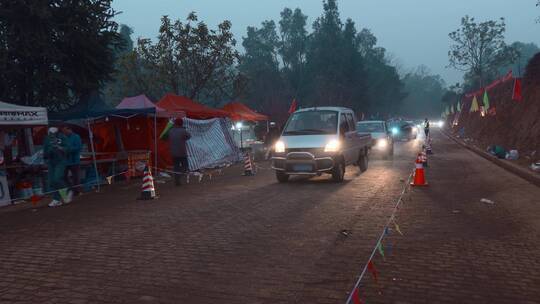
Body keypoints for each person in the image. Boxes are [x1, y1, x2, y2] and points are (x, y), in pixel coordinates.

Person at [43, 127, 72, 207]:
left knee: (57, 178)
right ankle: (57, 199)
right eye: (50, 133)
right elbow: (45, 152)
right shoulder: (47, 139)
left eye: (53, 133)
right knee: (52, 181)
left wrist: (60, 148)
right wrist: (48, 153)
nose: (52, 135)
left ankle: (67, 192)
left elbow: (69, 149)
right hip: (51, 162)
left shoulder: (62, 137)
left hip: (60, 161)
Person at [168, 118, 191, 186]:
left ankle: (177, 179)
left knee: (176, 167)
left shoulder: (171, 131)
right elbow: (189, 136)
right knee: (185, 166)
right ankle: (178, 177)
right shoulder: (183, 131)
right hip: (181, 152)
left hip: (173, 152)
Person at [63, 126, 82, 196]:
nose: (64, 133)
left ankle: (76, 191)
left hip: (74, 161)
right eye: (63, 131)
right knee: (63, 176)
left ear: (70, 129)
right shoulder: (64, 138)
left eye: (65, 131)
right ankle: (71, 189)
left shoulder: (76, 137)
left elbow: (78, 147)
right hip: (65, 161)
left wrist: (68, 150)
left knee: (76, 177)